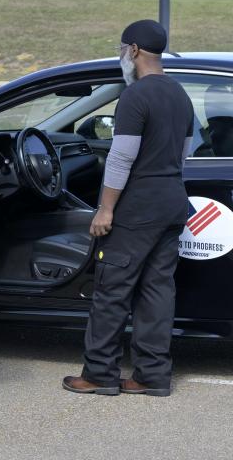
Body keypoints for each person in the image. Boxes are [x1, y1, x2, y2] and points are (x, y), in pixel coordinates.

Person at [63, 20, 194, 397]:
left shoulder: (135, 96)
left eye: (122, 49)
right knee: (157, 291)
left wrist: (105, 209)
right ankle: (152, 376)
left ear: (133, 50)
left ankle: (99, 373)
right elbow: (184, 152)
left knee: (112, 290)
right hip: (172, 203)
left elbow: (121, 159)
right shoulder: (179, 94)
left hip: (138, 208)